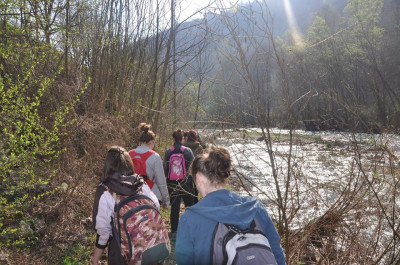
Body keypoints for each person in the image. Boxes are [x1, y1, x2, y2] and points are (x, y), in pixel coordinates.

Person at [175, 146, 286, 265]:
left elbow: (184, 261)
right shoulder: (256, 208)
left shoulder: (190, 218)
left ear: (199, 178)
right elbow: (277, 253)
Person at [92, 146, 160, 265]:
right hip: (147, 247)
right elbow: (156, 206)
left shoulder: (105, 190)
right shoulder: (140, 183)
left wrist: (96, 258)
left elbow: (103, 230)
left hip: (120, 253)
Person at [129, 123, 170, 208]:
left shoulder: (129, 154)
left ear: (139, 142)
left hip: (131, 194)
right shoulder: (155, 156)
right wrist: (166, 200)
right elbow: (161, 181)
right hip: (150, 196)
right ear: (152, 142)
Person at [163, 129, 195, 238]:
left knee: (175, 207)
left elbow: (165, 169)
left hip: (172, 183)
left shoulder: (169, 151)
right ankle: (191, 229)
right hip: (186, 182)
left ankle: (174, 231)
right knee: (190, 207)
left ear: (173, 139)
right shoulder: (188, 151)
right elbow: (193, 167)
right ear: (183, 138)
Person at [182, 129, 204, 204]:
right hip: (195, 173)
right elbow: (201, 163)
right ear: (195, 137)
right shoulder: (199, 147)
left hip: (183, 173)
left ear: (187, 137)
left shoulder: (182, 147)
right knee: (195, 194)